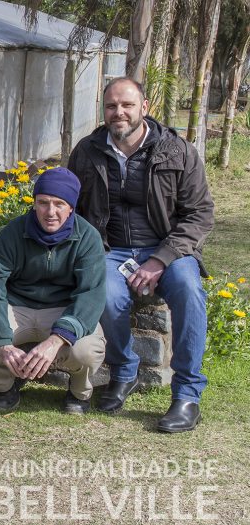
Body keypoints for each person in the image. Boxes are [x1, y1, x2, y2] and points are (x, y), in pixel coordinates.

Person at [68, 77, 214, 432]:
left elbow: (199, 214)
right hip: (109, 249)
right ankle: (124, 369)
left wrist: (160, 259)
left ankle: (187, 394)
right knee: (104, 292)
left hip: (170, 249)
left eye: (127, 105)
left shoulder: (177, 150)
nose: (119, 112)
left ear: (144, 108)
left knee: (189, 290)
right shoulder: (87, 151)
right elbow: (71, 208)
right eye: (111, 106)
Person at [0, 168, 107, 414]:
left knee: (86, 350)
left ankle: (79, 393)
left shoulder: (87, 237)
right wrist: (3, 344)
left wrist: (55, 341)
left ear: (71, 207)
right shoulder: (13, 232)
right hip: (17, 307)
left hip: (64, 309)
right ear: (34, 203)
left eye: (59, 204)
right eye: (43, 203)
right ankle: (4, 387)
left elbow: (90, 295)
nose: (50, 212)